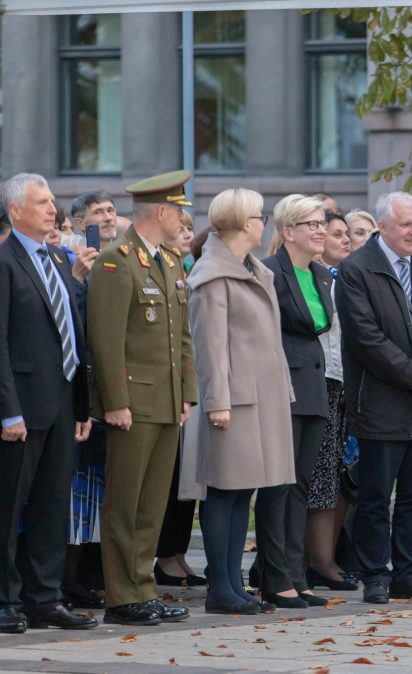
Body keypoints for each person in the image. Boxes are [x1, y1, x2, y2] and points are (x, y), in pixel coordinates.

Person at [337, 192, 412, 604]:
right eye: (405, 224)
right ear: (383, 227)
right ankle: (375, 573)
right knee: (375, 497)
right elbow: (365, 338)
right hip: (380, 403)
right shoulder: (357, 270)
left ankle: (408, 572)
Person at [87, 171, 197, 626]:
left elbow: (182, 338)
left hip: (167, 401)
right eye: (181, 211)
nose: (185, 219)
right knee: (126, 502)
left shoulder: (168, 262)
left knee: (153, 504)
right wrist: (115, 401)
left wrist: (186, 394)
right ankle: (121, 596)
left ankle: (144, 587)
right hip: (133, 402)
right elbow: (106, 339)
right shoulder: (117, 260)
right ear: (162, 211)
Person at [187, 188, 295, 614]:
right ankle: (221, 588)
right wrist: (216, 401)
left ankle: (233, 585)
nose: (262, 222)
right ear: (243, 223)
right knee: (223, 491)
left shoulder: (252, 270)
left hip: (259, 398)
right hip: (232, 400)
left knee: (242, 491)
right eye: (258, 215)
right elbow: (209, 347)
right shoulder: (212, 276)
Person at [0, 173, 96, 633]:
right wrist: (8, 410)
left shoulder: (58, 257)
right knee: (9, 505)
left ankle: (45, 599)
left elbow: (71, 333)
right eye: (41, 202)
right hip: (21, 407)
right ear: (15, 211)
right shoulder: (5, 262)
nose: (51, 208)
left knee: (53, 505)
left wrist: (81, 406)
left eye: (53, 200)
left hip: (60, 403)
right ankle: (5, 600)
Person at [256, 194, 333, 608]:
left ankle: (296, 571)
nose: (320, 230)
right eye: (311, 224)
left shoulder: (321, 275)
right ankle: (274, 576)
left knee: (300, 485)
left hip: (314, 387)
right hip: (282, 387)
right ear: (288, 232)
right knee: (278, 485)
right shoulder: (269, 273)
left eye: (322, 222)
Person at [304, 210, 355, 592]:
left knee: (338, 477)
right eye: (335, 233)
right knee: (319, 475)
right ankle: (317, 561)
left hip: (341, 384)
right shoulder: (315, 278)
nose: (343, 240)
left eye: (345, 233)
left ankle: (326, 557)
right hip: (318, 381)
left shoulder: (343, 278)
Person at [153, 208, 202, 589]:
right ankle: (164, 556)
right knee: (169, 480)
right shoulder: (161, 268)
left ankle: (178, 553)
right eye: (180, 228)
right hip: (162, 389)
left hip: (188, 386)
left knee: (187, 482)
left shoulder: (186, 270)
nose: (186, 235)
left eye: (190, 229)